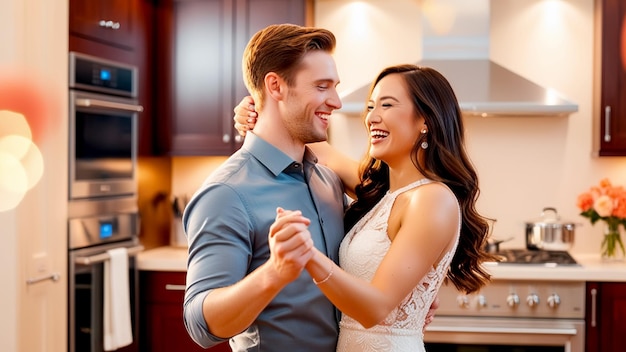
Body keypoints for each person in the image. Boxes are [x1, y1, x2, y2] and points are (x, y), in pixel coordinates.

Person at [233, 64, 496, 351]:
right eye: (371, 106)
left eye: (387, 105)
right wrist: (260, 112)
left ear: (425, 120)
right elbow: (310, 146)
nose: (372, 117)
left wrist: (305, 253)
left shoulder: (431, 199)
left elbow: (375, 308)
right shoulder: (384, 193)